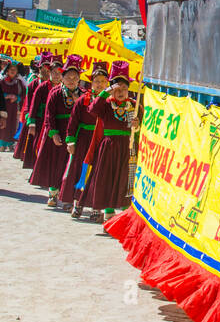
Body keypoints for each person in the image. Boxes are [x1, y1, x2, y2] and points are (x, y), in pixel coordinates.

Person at [84, 61, 140, 224]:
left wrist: (137, 125)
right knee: (107, 180)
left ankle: (123, 218)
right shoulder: (106, 105)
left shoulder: (134, 106)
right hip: (109, 147)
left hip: (127, 148)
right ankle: (108, 217)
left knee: (124, 180)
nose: (121, 92)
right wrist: (105, 93)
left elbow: (140, 130)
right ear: (111, 89)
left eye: (124, 88)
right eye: (117, 88)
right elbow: (92, 110)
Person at [30, 54, 83, 207]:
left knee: (71, 166)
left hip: (75, 134)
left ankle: (68, 197)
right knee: (56, 164)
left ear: (79, 79)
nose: (71, 80)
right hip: (58, 132)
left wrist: (77, 102)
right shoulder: (55, 93)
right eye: (68, 77)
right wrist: (53, 133)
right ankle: (53, 194)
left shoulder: (83, 95)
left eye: (75, 77)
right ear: (62, 77)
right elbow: (49, 115)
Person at [62, 61, 110, 218]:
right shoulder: (83, 100)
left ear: (108, 83)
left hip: (102, 141)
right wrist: (70, 141)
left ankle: (96, 208)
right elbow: (73, 122)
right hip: (84, 140)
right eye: (96, 81)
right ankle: (78, 204)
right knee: (80, 171)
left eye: (103, 81)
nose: (99, 84)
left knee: (98, 173)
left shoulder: (111, 102)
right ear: (91, 82)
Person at [21, 57, 60, 171]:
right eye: (53, 72)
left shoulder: (64, 87)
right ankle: (36, 170)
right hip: (40, 119)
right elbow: (32, 105)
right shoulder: (40, 86)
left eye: (59, 73)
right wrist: (31, 123)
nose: (56, 75)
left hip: (55, 121)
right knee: (38, 145)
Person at [13, 56, 47, 161]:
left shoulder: (54, 85)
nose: (46, 72)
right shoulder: (34, 83)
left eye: (48, 70)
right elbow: (29, 101)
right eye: (43, 69)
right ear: (39, 69)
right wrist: (30, 118)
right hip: (35, 115)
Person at [0, 61, 25, 151]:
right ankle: (2, 145)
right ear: (7, 70)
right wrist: (6, 96)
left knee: (12, 125)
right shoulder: (2, 82)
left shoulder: (19, 83)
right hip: (3, 109)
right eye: (11, 69)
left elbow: (24, 95)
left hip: (14, 109)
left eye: (15, 69)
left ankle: (10, 144)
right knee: (3, 125)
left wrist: (17, 98)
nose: (13, 70)